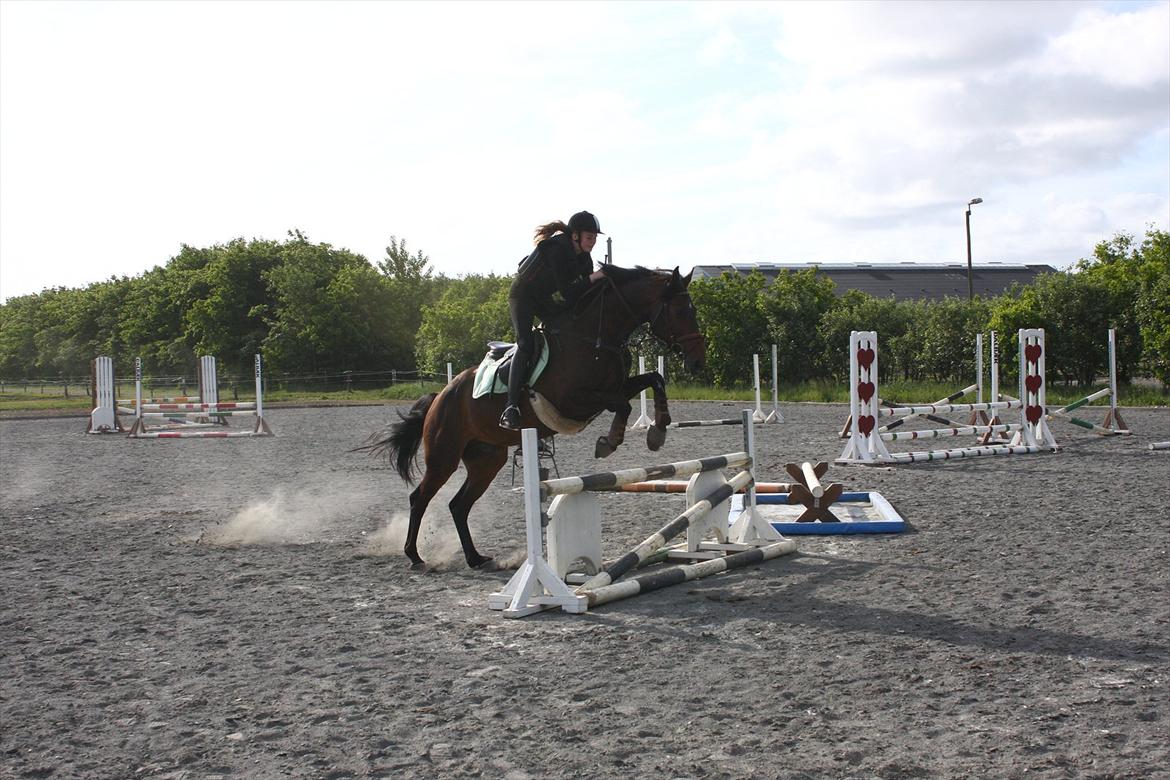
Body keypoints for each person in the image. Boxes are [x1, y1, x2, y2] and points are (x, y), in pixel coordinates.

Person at [499, 210, 607, 430]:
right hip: (523, 295)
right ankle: (510, 407)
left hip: (543, 298)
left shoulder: (583, 258)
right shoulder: (558, 248)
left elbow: (581, 294)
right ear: (575, 235)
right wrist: (595, 277)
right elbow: (569, 292)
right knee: (526, 343)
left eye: (595, 238)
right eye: (589, 237)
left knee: (567, 329)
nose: (593, 242)